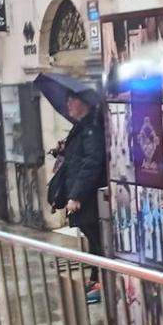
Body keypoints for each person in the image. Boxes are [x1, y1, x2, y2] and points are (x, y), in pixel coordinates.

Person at [58, 92, 107, 304]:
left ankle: (100, 283)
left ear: (84, 103)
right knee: (95, 242)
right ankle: (96, 280)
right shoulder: (82, 127)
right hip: (83, 195)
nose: (68, 103)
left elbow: (92, 162)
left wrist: (77, 195)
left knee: (99, 241)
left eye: (72, 100)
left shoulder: (91, 128)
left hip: (90, 198)